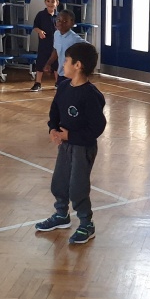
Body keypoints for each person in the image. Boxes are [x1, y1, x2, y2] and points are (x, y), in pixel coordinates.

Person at [35, 42, 106, 244]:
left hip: (83, 147)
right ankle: (61, 214)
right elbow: (55, 111)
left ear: (78, 65)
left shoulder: (91, 95)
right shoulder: (64, 87)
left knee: (78, 186)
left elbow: (97, 127)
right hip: (66, 146)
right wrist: (53, 129)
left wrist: (71, 136)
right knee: (60, 181)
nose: (62, 64)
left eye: (66, 61)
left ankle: (86, 223)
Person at [43, 9, 84, 87]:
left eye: (65, 21)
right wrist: (48, 63)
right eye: (59, 20)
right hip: (61, 72)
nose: (61, 23)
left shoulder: (74, 39)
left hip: (71, 75)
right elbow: (56, 50)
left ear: (72, 23)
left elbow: (90, 49)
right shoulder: (56, 34)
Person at [30, 0, 59, 91]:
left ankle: (58, 83)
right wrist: (39, 31)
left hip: (56, 46)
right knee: (40, 63)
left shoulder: (59, 16)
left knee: (56, 64)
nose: (50, 3)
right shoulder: (41, 15)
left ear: (57, 3)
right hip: (44, 45)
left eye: (53, 1)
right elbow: (35, 26)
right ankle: (38, 83)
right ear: (45, 2)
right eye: (48, 1)